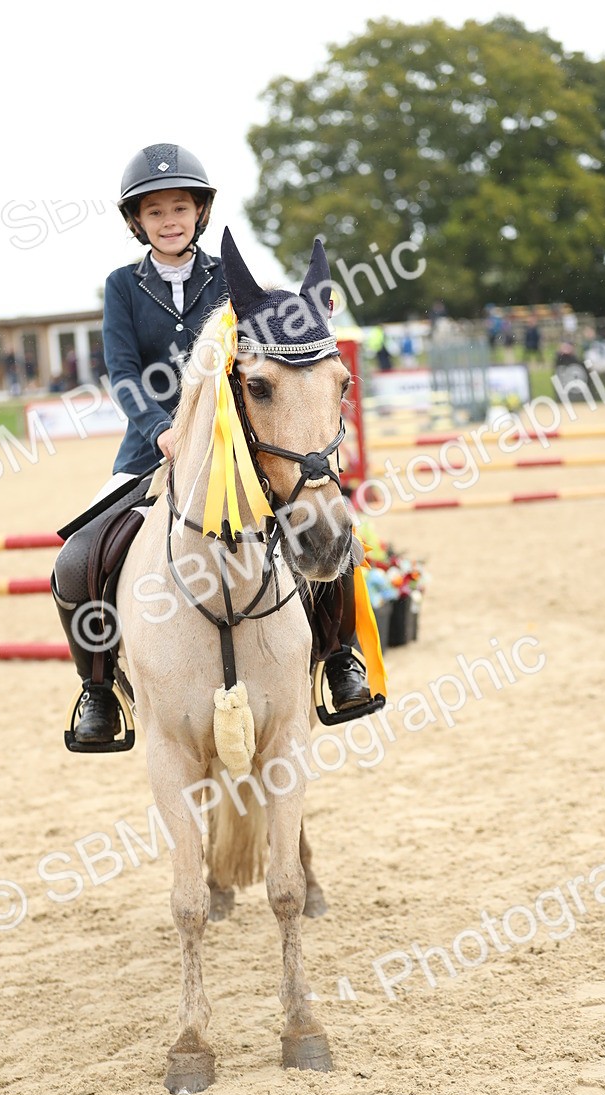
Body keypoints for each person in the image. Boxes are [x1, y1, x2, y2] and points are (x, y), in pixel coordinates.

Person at [52, 143, 376, 751]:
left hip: (235, 453)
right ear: (136, 223)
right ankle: (97, 690)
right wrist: (161, 430)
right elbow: (122, 372)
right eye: (154, 212)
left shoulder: (232, 279)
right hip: (149, 452)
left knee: (322, 528)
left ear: (200, 213)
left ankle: (339, 658)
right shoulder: (122, 287)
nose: (168, 220)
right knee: (78, 558)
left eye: (180, 208)